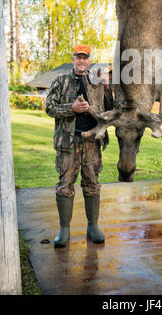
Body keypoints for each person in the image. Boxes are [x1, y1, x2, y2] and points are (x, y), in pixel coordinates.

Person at [45, 45, 113, 248]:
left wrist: (108, 87)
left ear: (89, 60)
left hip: (92, 142)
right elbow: (49, 108)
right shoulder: (60, 81)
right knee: (65, 185)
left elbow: (110, 110)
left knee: (92, 184)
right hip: (68, 143)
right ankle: (64, 231)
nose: (82, 61)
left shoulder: (98, 81)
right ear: (73, 59)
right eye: (78, 58)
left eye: (85, 58)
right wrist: (71, 108)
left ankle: (93, 227)